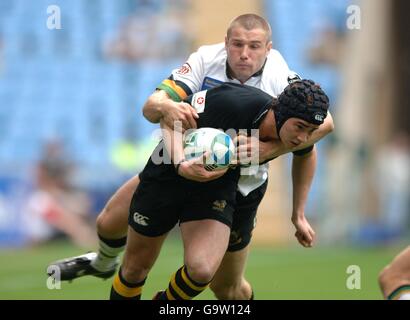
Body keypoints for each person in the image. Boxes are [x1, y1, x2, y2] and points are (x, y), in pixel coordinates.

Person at [48, 14, 334, 298]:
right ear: (226, 43)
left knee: (225, 288)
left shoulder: (282, 80)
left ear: (268, 48)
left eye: (255, 46)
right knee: (108, 222)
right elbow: (152, 108)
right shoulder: (206, 59)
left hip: (241, 185)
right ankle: (102, 264)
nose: (244, 54)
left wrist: (273, 150)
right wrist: (166, 107)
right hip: (177, 161)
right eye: (237, 45)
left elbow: (322, 125)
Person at [110, 79, 331, 300]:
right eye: (300, 128)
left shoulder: (293, 135)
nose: (303, 137)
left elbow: (307, 152)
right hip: (167, 174)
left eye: (310, 130)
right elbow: (170, 120)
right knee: (134, 269)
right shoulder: (233, 102)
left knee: (203, 270)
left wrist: (298, 215)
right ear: (281, 112)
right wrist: (181, 164)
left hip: (216, 184)